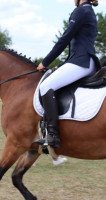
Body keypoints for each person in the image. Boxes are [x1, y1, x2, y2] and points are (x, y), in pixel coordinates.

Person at [36, 0, 100, 148]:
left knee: (46, 86)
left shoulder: (82, 11)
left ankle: (52, 135)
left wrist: (45, 62)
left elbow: (64, 39)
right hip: (83, 60)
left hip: (81, 62)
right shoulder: (88, 10)